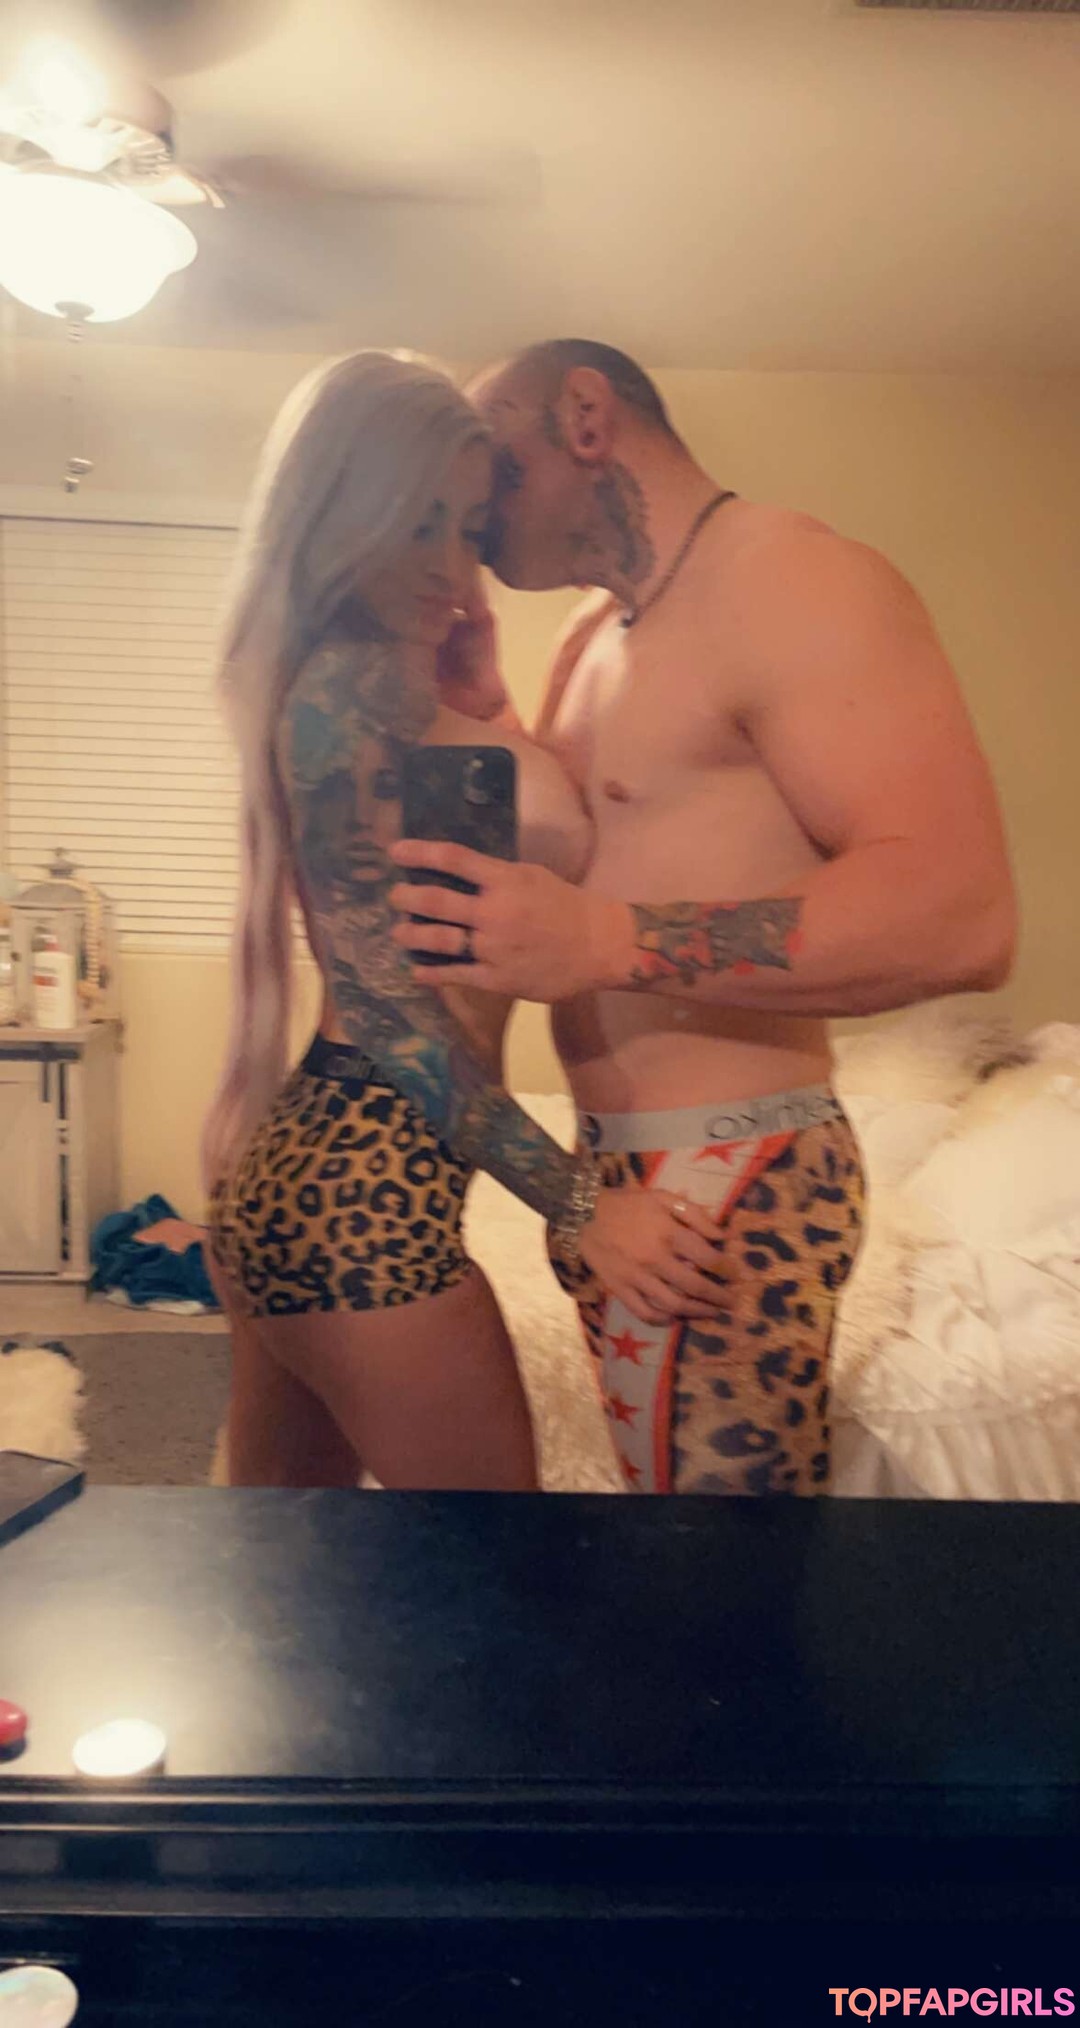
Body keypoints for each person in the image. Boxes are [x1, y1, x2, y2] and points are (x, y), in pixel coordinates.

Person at [389, 338, 1018, 1497]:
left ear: (586, 416)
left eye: (496, 465)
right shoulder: (593, 633)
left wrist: (601, 941)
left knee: (720, 1576)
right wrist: (489, 715)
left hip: (737, 1170)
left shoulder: (794, 579)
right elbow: (609, 849)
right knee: (664, 1540)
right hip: (614, 1175)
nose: (472, 508)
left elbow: (962, 914)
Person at [202, 348, 728, 1492]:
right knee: (501, 1575)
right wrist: (586, 1208)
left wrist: (486, 705)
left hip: (314, 1177)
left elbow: (454, 926)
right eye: (418, 524)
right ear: (344, 516)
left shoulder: (390, 688)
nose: (452, 567)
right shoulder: (348, 691)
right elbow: (394, 1011)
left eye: (469, 527)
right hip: (365, 1191)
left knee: (287, 1574)